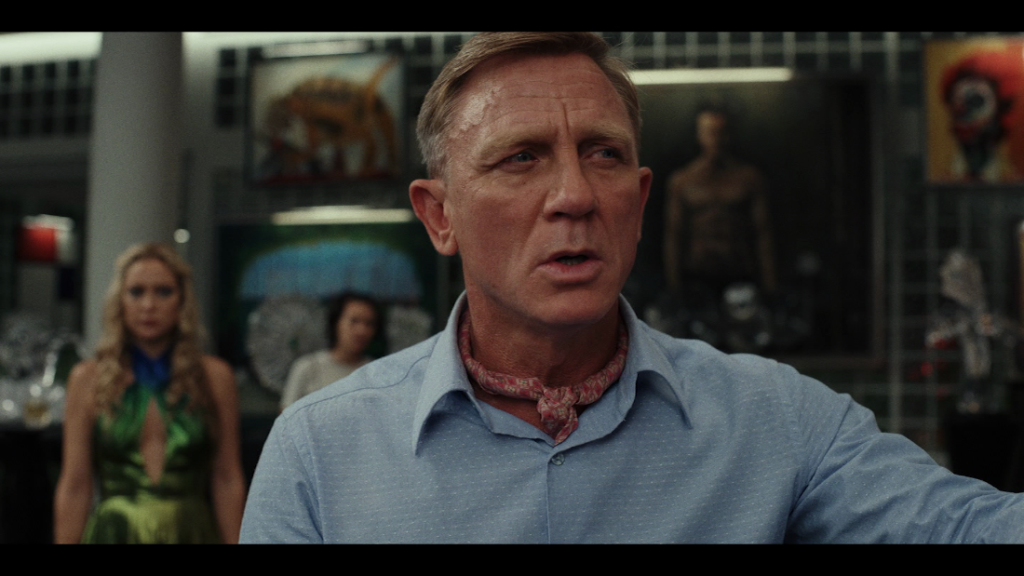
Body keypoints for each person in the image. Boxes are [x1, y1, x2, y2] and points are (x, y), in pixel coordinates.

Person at [240, 32, 1024, 543]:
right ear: (439, 215)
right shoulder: (321, 451)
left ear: (641, 203)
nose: (574, 195)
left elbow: (968, 526)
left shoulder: (776, 421)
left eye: (604, 155)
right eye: (522, 158)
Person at [55, 243, 246, 544]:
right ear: (119, 300)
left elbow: (227, 478)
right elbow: (75, 483)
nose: (148, 305)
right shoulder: (87, 378)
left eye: (163, 292)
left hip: (190, 531)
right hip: (115, 533)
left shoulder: (214, 376)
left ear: (182, 300)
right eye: (136, 292)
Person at [663, 104, 777, 296]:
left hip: (740, 276)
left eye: (721, 132)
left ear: (729, 135)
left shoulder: (749, 179)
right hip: (697, 277)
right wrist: (674, 288)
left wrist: (770, 286)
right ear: (699, 135)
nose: (715, 139)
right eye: (710, 133)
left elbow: (763, 234)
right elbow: (673, 236)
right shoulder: (682, 181)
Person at [279, 293, 378, 410]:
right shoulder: (308, 367)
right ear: (336, 323)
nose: (361, 331)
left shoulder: (376, 372)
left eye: (369, 324)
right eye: (354, 321)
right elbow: (286, 417)